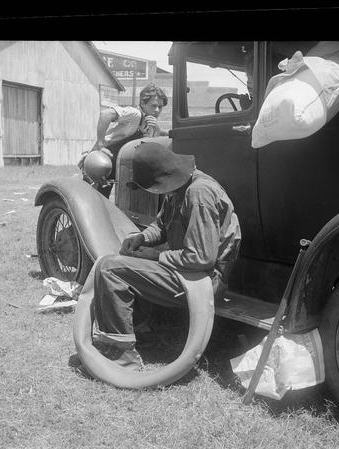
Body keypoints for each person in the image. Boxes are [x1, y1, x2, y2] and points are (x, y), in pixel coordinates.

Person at [91, 141, 242, 369]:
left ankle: (122, 356)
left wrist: (154, 256)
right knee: (115, 261)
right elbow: (162, 225)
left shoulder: (199, 193)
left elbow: (201, 258)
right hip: (190, 273)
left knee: (110, 269)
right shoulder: (180, 186)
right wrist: (142, 238)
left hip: (204, 281)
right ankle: (141, 330)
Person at [80, 83, 169, 198]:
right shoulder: (135, 114)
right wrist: (100, 144)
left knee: (106, 203)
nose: (157, 110)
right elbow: (105, 115)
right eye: (153, 106)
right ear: (142, 103)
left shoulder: (150, 124)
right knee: (92, 201)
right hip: (103, 161)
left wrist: (157, 131)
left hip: (118, 165)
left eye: (160, 107)